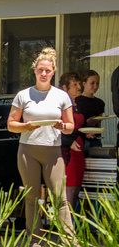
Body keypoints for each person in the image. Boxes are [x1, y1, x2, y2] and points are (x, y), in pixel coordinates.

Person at [7, 47, 77, 247]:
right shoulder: (23, 95)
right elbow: (11, 124)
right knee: (32, 198)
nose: (44, 74)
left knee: (59, 198)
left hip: (53, 151)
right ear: (35, 71)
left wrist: (62, 127)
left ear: (53, 71)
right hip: (28, 150)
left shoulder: (61, 96)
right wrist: (26, 127)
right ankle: (35, 244)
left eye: (47, 70)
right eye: (40, 70)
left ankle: (72, 244)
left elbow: (71, 125)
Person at [58, 72, 86, 212]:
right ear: (65, 88)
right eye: (74, 84)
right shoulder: (60, 105)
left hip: (79, 151)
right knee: (70, 189)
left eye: (79, 84)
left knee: (76, 190)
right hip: (67, 152)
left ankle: (73, 226)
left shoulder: (77, 104)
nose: (79, 87)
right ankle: (66, 227)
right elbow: (56, 129)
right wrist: (68, 142)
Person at [76, 69, 106, 156]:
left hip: (96, 141)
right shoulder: (77, 101)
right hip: (81, 140)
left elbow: (99, 123)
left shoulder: (100, 102)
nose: (95, 86)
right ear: (84, 83)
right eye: (92, 83)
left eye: (97, 83)